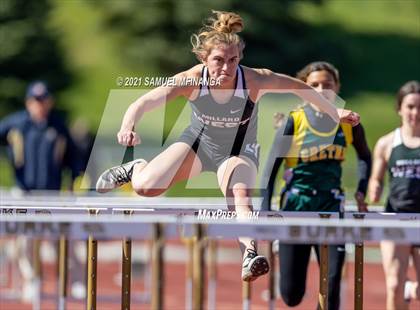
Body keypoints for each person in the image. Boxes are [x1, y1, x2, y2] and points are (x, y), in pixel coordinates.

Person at [96, 11, 359, 282]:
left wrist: (334, 113)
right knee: (146, 187)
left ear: (240, 59)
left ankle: (249, 255)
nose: (226, 68)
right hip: (198, 145)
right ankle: (137, 167)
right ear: (204, 59)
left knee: (240, 197)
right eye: (219, 61)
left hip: (238, 150)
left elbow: (300, 88)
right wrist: (128, 125)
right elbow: (145, 102)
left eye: (232, 60)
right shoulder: (191, 79)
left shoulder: (254, 80)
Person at [260, 61, 371, 309]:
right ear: (303, 89)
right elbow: (269, 170)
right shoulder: (294, 120)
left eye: (327, 85)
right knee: (291, 295)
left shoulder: (349, 122)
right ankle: (283, 248)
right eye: (314, 85)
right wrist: (265, 215)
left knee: (331, 287)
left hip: (331, 206)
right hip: (295, 207)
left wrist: (362, 190)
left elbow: (365, 156)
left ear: (337, 87)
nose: (322, 90)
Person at [0, 81, 83, 301]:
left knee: (62, 238)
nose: (40, 105)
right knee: (25, 239)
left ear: (50, 102)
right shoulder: (15, 124)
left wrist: (73, 183)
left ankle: (72, 281)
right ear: (28, 102)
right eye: (36, 101)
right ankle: (32, 280)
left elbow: (74, 159)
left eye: (44, 100)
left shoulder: (59, 126)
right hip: (24, 193)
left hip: (52, 194)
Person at [368, 80, 420, 310]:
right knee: (393, 285)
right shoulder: (387, 143)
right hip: (395, 218)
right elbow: (376, 178)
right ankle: (405, 289)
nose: (415, 113)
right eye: (410, 106)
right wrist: (373, 189)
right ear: (400, 109)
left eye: (419, 107)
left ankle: (412, 289)